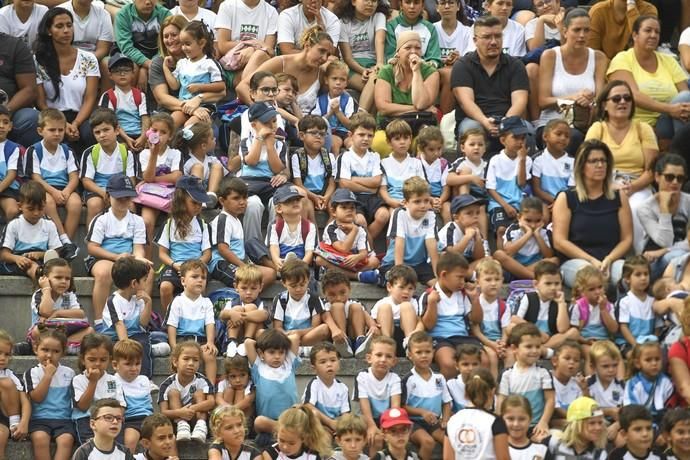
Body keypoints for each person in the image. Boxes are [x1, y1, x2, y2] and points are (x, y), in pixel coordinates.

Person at [585, 80, 659, 255]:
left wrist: (630, 188)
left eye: (627, 98)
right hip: (602, 182)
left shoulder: (643, 129)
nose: (623, 102)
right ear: (604, 105)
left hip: (637, 184)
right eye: (616, 99)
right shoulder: (598, 129)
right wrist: (608, 186)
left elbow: (651, 171)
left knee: (636, 209)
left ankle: (635, 262)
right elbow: (586, 165)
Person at [552, 139, 633, 288]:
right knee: (590, 276)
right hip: (577, 261)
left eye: (603, 160)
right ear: (582, 166)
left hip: (611, 259)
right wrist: (591, 260)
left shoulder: (619, 196)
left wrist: (609, 259)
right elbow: (559, 241)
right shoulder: (566, 198)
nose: (600, 165)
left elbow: (627, 239)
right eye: (594, 161)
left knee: (629, 277)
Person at [608, 15, 690, 148]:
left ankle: (680, 153)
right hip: (639, 122)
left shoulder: (669, 60)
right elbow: (632, 95)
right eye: (648, 30)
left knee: (685, 98)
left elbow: (685, 93)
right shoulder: (622, 59)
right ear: (635, 35)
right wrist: (669, 109)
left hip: (669, 120)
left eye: (657, 32)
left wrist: (676, 110)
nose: (653, 35)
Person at [451, 15, 529, 145]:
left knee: (528, 132)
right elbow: (466, 102)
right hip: (474, 119)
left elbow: (520, 101)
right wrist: (484, 121)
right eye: (487, 37)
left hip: (508, 118)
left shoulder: (516, 65)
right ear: (475, 40)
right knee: (471, 131)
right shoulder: (462, 65)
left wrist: (505, 123)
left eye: (498, 36)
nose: (493, 42)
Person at [535, 8, 606, 152]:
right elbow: (543, 101)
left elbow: (600, 99)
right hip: (552, 123)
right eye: (577, 30)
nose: (582, 35)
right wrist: (573, 98)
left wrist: (590, 102)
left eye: (586, 30)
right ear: (565, 31)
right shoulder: (550, 56)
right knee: (571, 137)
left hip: (586, 123)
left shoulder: (599, 57)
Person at [85, 173, 149, 323]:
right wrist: (116, 257)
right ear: (108, 196)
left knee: (146, 270)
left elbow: (138, 247)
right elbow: (92, 248)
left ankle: (138, 319)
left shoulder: (138, 221)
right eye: (118, 197)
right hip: (103, 258)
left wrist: (139, 259)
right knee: (103, 273)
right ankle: (100, 320)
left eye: (127, 197)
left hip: (128, 258)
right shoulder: (101, 219)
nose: (123, 201)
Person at [34, 8, 99, 155]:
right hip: (51, 116)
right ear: (49, 31)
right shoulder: (38, 60)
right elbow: (41, 102)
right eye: (59, 26)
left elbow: (90, 97)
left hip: (80, 116)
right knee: (52, 133)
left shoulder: (88, 58)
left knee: (90, 132)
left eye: (69, 25)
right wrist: (63, 124)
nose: (66, 30)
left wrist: (75, 124)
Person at [237, 25, 333, 116]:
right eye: (321, 51)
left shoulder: (321, 74)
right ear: (307, 46)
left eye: (328, 55)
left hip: (304, 126)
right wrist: (258, 109)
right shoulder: (280, 62)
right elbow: (242, 87)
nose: (324, 58)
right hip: (271, 119)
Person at [26, 109, 81, 261]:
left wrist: (67, 191)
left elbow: (74, 176)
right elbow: (35, 177)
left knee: (76, 203)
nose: (57, 133)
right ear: (40, 131)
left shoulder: (67, 151)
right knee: (48, 202)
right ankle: (64, 240)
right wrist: (54, 192)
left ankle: (66, 246)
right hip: (44, 188)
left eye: (60, 130)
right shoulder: (34, 150)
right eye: (51, 130)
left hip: (64, 188)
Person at [372, 31, 439, 155]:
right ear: (398, 52)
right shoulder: (386, 71)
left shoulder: (430, 72)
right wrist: (416, 109)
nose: (413, 52)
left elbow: (420, 103)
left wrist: (417, 71)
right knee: (379, 142)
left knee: (425, 142)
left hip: (420, 126)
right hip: (391, 125)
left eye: (417, 48)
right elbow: (383, 107)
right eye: (408, 47)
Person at [419, 252, 483, 379]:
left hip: (463, 337)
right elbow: (428, 326)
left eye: (464, 278)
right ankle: (449, 396)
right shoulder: (429, 295)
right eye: (459, 277)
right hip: (440, 339)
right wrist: (432, 304)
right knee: (449, 364)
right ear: (444, 275)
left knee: (484, 361)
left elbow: (476, 320)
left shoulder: (463, 294)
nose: (463, 282)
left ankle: (477, 394)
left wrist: (475, 300)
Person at [149, 15, 219, 125]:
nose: (170, 40)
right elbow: (162, 98)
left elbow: (221, 91)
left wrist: (199, 99)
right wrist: (191, 108)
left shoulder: (205, 61)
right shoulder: (159, 63)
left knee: (194, 129)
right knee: (170, 127)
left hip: (203, 108)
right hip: (170, 113)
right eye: (166, 36)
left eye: (174, 35)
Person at [209, 177, 276, 290]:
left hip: (238, 263)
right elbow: (223, 249)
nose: (242, 202)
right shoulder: (223, 220)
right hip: (222, 264)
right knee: (250, 279)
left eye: (245, 198)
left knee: (270, 273)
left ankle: (247, 297)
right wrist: (243, 266)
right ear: (222, 201)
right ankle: (243, 298)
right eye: (236, 198)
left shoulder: (235, 219)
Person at [156, 175, 211, 313]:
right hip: (175, 265)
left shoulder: (203, 225)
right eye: (194, 203)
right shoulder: (169, 224)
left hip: (196, 266)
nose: (198, 207)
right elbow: (162, 253)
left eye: (200, 204)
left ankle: (196, 318)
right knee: (165, 287)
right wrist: (175, 265)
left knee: (197, 284)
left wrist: (195, 266)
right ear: (181, 201)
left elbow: (207, 254)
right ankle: (169, 321)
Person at [97, 256, 156, 378]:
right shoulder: (113, 300)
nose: (146, 283)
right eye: (144, 280)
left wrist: (148, 303)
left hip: (134, 334)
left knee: (144, 340)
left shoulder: (138, 298)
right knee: (138, 344)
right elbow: (119, 325)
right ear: (134, 283)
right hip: (116, 337)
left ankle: (144, 379)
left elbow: (143, 323)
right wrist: (127, 347)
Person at [336, 112, 389, 242]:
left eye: (370, 136)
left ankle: (363, 243)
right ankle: (369, 249)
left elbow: (377, 181)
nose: (366, 139)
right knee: (361, 221)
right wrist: (369, 187)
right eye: (361, 135)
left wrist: (354, 179)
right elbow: (344, 184)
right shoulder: (345, 157)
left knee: (384, 215)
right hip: (352, 199)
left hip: (371, 198)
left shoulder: (375, 156)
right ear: (351, 136)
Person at [81, 107, 138, 228]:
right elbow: (86, 181)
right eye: (97, 132)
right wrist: (103, 193)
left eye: (106, 130)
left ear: (117, 130)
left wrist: (116, 195)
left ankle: (127, 240)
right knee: (95, 205)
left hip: (121, 190)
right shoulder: (90, 153)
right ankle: (91, 241)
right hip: (97, 190)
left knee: (130, 206)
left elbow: (131, 180)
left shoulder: (127, 153)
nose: (102, 135)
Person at [137, 112, 183, 260]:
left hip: (170, 196)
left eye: (163, 132)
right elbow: (147, 177)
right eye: (155, 130)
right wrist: (154, 154)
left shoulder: (175, 153)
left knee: (177, 221)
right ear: (149, 131)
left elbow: (177, 177)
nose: (158, 135)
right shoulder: (144, 154)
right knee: (146, 222)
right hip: (152, 197)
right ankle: (147, 262)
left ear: (170, 136)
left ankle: (174, 259)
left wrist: (154, 179)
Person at [24, 327, 75, 460]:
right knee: (40, 439)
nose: (49, 355)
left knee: (66, 440)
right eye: (45, 350)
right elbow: (37, 398)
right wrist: (47, 376)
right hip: (39, 419)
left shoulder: (69, 373)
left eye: (56, 351)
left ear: (63, 353)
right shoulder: (32, 373)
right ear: (36, 349)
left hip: (64, 419)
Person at [497, 323, 555, 439]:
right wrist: (500, 426)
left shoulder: (543, 373)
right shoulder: (507, 375)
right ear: (514, 349)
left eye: (538, 347)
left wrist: (543, 422)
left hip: (535, 427)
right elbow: (501, 402)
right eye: (529, 347)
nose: (534, 351)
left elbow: (550, 400)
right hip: (513, 427)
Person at [638, 153, 690, 278]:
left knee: (677, 256)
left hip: (678, 253)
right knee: (675, 257)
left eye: (680, 178)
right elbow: (665, 241)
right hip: (653, 260)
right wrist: (664, 209)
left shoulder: (688, 202)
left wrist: (663, 251)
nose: (675, 182)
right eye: (669, 177)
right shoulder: (645, 208)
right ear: (657, 176)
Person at [380, 177, 439, 287]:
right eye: (417, 201)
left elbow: (431, 244)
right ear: (406, 202)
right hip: (395, 262)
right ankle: (375, 275)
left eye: (426, 201)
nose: (423, 205)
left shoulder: (431, 215)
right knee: (395, 281)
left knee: (436, 284)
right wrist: (400, 273)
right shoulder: (400, 213)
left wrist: (437, 274)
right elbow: (399, 243)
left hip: (419, 264)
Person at [165, 260, 218, 382]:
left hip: (201, 341)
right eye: (195, 276)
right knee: (184, 358)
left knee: (209, 356)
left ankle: (210, 387)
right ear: (183, 281)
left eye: (203, 278)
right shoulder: (177, 301)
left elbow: (210, 324)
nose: (200, 280)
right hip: (182, 340)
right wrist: (174, 346)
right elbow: (171, 326)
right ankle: (180, 384)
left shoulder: (207, 302)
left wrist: (210, 342)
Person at [401, 331, 451, 460]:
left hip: (434, 422)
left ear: (433, 353)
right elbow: (402, 407)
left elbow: (446, 402)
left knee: (450, 441)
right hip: (413, 422)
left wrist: (445, 420)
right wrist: (422, 412)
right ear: (410, 355)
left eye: (427, 352)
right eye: (419, 352)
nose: (424, 356)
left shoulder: (439, 378)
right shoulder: (409, 379)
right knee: (428, 442)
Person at [314, 188, 380, 283]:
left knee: (375, 261)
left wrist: (357, 257)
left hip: (353, 261)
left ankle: (344, 274)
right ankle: (356, 276)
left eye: (352, 208)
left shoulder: (360, 229)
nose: (349, 210)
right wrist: (353, 230)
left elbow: (364, 252)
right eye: (344, 207)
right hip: (336, 260)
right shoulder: (331, 228)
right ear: (333, 212)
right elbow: (343, 249)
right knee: (319, 260)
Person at [485, 116, 532, 248]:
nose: (520, 142)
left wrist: (522, 160)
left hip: (519, 203)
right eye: (516, 138)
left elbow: (522, 184)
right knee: (501, 230)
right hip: (498, 203)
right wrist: (505, 205)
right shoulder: (495, 160)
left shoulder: (527, 160)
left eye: (523, 138)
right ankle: (502, 259)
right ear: (503, 140)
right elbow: (491, 189)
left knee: (520, 230)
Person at [0, 181, 62, 280]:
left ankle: (43, 277)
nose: (36, 213)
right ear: (20, 206)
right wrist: (17, 259)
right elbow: (3, 254)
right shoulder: (14, 225)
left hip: (43, 261)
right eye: (31, 209)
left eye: (40, 208)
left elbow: (56, 252)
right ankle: (41, 280)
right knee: (30, 265)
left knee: (58, 266)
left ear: (45, 205)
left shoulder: (49, 225)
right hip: (18, 262)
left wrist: (40, 254)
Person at [244, 329, 300, 437]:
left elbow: (295, 337)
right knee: (259, 422)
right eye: (271, 352)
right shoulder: (259, 367)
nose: (277, 356)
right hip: (268, 420)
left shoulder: (288, 364)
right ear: (261, 353)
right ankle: (284, 430)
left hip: (290, 419)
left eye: (281, 352)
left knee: (301, 413)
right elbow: (248, 343)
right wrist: (266, 340)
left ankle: (284, 430)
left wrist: (279, 337)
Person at [444, 368, 509, 460]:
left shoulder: (453, 421)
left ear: (466, 391)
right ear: (493, 391)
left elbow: (447, 458)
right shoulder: (495, 422)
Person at [510, 260, 576, 351]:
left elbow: (562, 329)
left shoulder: (559, 302)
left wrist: (561, 304)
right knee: (511, 327)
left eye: (557, 284)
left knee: (573, 332)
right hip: (530, 336)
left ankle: (542, 349)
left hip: (550, 339)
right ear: (536, 284)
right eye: (548, 284)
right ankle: (540, 349)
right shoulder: (528, 298)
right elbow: (515, 319)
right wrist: (538, 332)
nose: (553, 288)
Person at [72, 333, 125, 444]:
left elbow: (121, 406)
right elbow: (82, 406)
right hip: (86, 420)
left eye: (103, 360)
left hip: (112, 419)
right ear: (83, 360)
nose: (97, 364)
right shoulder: (78, 380)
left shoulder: (114, 380)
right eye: (92, 360)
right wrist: (93, 381)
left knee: (117, 446)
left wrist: (110, 418)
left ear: (110, 360)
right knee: (92, 448)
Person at [158, 341, 215, 442]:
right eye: (186, 359)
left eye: (195, 360)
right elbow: (163, 412)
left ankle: (201, 426)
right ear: (175, 362)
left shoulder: (202, 380)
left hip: (197, 419)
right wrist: (180, 413)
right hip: (177, 422)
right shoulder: (167, 384)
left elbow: (211, 402)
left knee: (199, 393)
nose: (191, 363)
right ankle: (182, 426)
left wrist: (191, 409)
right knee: (173, 392)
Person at [28, 257, 93, 346]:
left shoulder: (69, 295)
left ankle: (62, 345)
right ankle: (60, 346)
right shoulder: (39, 295)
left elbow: (80, 313)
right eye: (58, 277)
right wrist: (46, 289)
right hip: (46, 332)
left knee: (89, 331)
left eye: (67, 278)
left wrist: (58, 313)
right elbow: (45, 312)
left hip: (65, 333)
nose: (63, 281)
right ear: (45, 279)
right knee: (37, 331)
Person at [354, 335, 401, 454]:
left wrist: (385, 427)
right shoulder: (362, 377)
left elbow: (395, 408)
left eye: (388, 356)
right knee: (376, 439)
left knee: (391, 437)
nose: (383, 359)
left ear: (394, 361)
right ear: (369, 358)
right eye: (379, 355)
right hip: (366, 418)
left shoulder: (394, 378)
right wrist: (371, 426)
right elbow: (364, 408)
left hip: (387, 419)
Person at [338, 0, 388, 113]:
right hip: (351, 67)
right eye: (366, 0)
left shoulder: (379, 16)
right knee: (376, 84)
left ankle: (362, 118)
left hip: (373, 64)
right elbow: (347, 58)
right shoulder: (343, 22)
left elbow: (380, 41)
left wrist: (379, 63)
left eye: (374, 1)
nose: (370, 4)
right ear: (354, 2)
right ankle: (362, 117)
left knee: (376, 79)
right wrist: (363, 70)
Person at [215, 0, 278, 85]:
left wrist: (253, 51)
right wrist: (252, 46)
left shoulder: (271, 12)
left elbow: (269, 50)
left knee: (259, 56)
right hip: (231, 67)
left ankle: (245, 90)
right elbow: (223, 46)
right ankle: (245, 89)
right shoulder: (227, 6)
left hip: (259, 66)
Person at [113, 0, 171, 91]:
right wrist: (148, 64)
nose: (148, 2)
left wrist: (147, 67)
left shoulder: (165, 14)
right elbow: (126, 47)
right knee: (132, 68)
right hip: (130, 56)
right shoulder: (123, 15)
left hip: (157, 56)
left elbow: (168, 45)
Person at [495, 196, 557, 280]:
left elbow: (548, 255)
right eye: (528, 220)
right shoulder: (513, 229)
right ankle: (531, 276)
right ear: (519, 218)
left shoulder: (544, 232)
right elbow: (508, 252)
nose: (533, 225)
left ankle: (520, 275)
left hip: (534, 267)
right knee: (499, 254)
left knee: (554, 260)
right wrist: (528, 234)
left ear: (542, 218)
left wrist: (537, 235)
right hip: (513, 267)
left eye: (538, 221)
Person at [98, 54, 149, 152]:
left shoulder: (140, 95)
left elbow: (145, 117)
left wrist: (143, 137)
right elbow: (109, 120)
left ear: (133, 73)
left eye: (126, 70)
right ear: (110, 75)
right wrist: (126, 138)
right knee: (122, 149)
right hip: (118, 135)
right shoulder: (108, 96)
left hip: (139, 134)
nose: (122, 74)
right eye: (117, 71)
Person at [272, 259, 330, 346]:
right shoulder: (280, 299)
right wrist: (288, 335)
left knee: (324, 328)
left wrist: (299, 333)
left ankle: (297, 346)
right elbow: (277, 327)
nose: (298, 289)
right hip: (287, 337)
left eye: (302, 284)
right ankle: (295, 345)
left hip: (307, 336)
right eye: (293, 286)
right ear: (283, 283)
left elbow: (315, 327)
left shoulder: (313, 298)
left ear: (308, 280)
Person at [570, 266, 618, 369]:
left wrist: (603, 310)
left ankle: (620, 382)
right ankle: (590, 380)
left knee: (616, 354)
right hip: (585, 341)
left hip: (604, 340)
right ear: (582, 292)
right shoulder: (578, 306)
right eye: (591, 289)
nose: (597, 292)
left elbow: (613, 329)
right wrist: (585, 341)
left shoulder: (608, 305)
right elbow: (574, 331)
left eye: (600, 287)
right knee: (590, 354)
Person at [290, 115, 336, 222]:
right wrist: (314, 197)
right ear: (302, 136)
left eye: (322, 134)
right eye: (314, 133)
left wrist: (326, 197)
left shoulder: (330, 157)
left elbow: (332, 183)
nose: (318, 136)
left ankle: (327, 235)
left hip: (325, 193)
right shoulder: (297, 157)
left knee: (335, 209)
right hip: (307, 193)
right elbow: (298, 184)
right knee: (307, 207)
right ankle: (313, 237)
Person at [112, 339, 155, 453]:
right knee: (130, 440)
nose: (134, 368)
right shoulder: (113, 381)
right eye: (128, 364)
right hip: (131, 420)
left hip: (149, 419)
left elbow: (149, 403)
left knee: (165, 438)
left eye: (137, 364)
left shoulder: (144, 380)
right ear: (115, 365)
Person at [370, 265, 423, 357]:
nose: (406, 292)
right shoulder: (382, 302)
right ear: (389, 287)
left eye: (410, 288)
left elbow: (420, 321)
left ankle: (409, 345)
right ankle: (387, 346)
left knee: (406, 306)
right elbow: (373, 322)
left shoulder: (414, 302)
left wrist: (417, 331)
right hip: (388, 336)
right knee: (384, 308)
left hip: (407, 335)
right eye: (401, 287)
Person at [0, 31, 39, 148]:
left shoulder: (15, 45)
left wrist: (5, 113)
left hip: (10, 109)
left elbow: (29, 89)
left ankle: (26, 161)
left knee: (31, 118)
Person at [218, 264, 270, 353]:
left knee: (251, 307)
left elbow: (264, 315)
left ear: (260, 287)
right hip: (237, 335)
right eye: (244, 288)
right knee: (236, 309)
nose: (249, 292)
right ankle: (231, 342)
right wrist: (232, 314)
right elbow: (222, 315)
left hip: (254, 338)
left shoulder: (260, 303)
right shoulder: (232, 303)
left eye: (253, 288)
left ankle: (247, 341)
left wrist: (241, 316)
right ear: (236, 287)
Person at [472, 258, 510, 377]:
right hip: (481, 341)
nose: (493, 283)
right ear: (478, 282)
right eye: (488, 280)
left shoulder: (504, 306)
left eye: (497, 279)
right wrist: (492, 345)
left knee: (511, 354)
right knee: (492, 356)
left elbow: (505, 330)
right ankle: (493, 387)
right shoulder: (476, 303)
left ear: (502, 281)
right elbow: (476, 331)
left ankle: (508, 385)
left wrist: (502, 344)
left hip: (499, 341)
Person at [302, 342, 351, 433]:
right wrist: (330, 423)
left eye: (333, 360)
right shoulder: (314, 384)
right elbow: (308, 407)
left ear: (339, 363)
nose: (329, 364)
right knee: (313, 413)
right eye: (323, 362)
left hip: (337, 426)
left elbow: (346, 414)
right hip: (318, 427)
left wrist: (342, 427)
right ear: (314, 368)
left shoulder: (343, 388)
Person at [623, 338, 673, 427]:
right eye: (648, 360)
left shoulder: (666, 382)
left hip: (662, 424)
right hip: (639, 424)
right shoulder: (632, 384)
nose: (654, 363)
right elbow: (630, 411)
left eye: (657, 359)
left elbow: (669, 409)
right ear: (638, 363)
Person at [434, 0, 472, 114]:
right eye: (442, 3)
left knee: (453, 72)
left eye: (451, 3)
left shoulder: (468, 31)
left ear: (458, 6)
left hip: (460, 72)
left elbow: (470, 57)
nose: (447, 6)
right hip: (436, 72)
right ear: (437, 7)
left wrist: (459, 58)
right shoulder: (431, 29)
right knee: (449, 73)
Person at [268, 184, 318, 269]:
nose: (295, 202)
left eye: (298, 200)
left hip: (302, 264)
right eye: (289, 200)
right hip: (283, 263)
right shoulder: (275, 226)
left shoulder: (309, 226)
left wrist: (301, 266)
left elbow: (309, 251)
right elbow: (274, 246)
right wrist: (277, 260)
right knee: (252, 244)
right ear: (279, 208)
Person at [588, 0, 657, 60]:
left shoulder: (648, 10)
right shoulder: (598, 11)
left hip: (637, 67)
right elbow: (592, 53)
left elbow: (645, 50)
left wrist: (631, 9)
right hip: (604, 67)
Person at [312, 60, 355, 155]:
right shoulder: (321, 100)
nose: (338, 83)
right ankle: (334, 167)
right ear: (327, 80)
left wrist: (338, 112)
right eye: (334, 79)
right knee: (334, 144)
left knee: (352, 143)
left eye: (342, 80)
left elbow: (350, 124)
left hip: (346, 132)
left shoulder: (348, 100)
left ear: (347, 83)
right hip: (330, 132)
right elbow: (316, 122)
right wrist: (330, 112)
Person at [615, 256, 655, 355]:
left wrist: (653, 342)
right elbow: (623, 327)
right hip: (628, 343)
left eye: (646, 274)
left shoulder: (653, 301)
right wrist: (636, 345)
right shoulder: (625, 301)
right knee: (633, 357)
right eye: (638, 274)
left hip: (648, 343)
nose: (643, 278)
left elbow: (658, 327)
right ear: (627, 278)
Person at [379, 120, 423, 210]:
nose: (402, 142)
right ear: (389, 142)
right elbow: (383, 189)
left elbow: (421, 187)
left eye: (406, 138)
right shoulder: (383, 163)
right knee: (394, 214)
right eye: (397, 139)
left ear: (411, 139)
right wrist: (391, 202)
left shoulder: (416, 163)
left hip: (413, 202)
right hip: (392, 202)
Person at [384, 0, 442, 66]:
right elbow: (390, 57)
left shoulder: (430, 28)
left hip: (423, 69)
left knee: (436, 74)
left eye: (416, 3)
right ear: (401, 5)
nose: (412, 6)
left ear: (423, 6)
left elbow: (434, 58)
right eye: (408, 2)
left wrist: (428, 64)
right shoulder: (392, 26)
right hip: (399, 69)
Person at [586, 340, 624, 441]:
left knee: (621, 440)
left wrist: (617, 425)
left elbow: (627, 412)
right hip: (593, 424)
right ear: (593, 367)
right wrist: (609, 411)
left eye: (615, 365)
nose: (611, 370)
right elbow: (585, 411)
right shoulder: (586, 384)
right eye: (605, 366)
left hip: (615, 424)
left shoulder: (622, 386)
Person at [262, 405, 332, 459]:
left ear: (303, 438)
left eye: (291, 443)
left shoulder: (313, 455)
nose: (285, 447)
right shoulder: (270, 454)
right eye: (281, 440)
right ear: (277, 433)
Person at [531, 119, 575, 205]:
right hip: (543, 204)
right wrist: (554, 202)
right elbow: (537, 190)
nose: (563, 138)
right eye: (558, 134)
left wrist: (559, 204)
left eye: (567, 136)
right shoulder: (538, 160)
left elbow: (572, 189)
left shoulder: (573, 162)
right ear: (545, 136)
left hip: (565, 203)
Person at [438, 195, 487, 271]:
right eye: (469, 213)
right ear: (456, 217)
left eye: (477, 213)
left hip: (464, 262)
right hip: (445, 263)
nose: (475, 216)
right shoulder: (450, 229)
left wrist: (478, 239)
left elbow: (479, 257)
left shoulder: (476, 230)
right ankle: (466, 275)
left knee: (488, 260)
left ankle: (465, 275)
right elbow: (452, 256)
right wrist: (467, 237)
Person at [0, 330, 29, 458]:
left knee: (5, 383)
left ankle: (14, 423)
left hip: (3, 418)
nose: (2, 358)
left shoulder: (9, 375)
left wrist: (23, 422)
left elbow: (25, 401)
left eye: (6, 354)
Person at [179, 122, 224, 203]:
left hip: (209, 189)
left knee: (217, 167)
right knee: (198, 167)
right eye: (212, 138)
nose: (215, 139)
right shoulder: (188, 161)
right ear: (203, 146)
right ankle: (199, 197)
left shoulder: (211, 159)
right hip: (191, 192)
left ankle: (211, 196)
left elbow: (226, 174)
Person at [417, 126, 450, 221]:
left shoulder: (444, 164)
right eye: (431, 150)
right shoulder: (416, 163)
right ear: (422, 149)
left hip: (440, 198)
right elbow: (416, 188)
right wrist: (430, 199)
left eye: (439, 149)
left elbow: (446, 188)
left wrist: (440, 201)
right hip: (422, 197)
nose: (436, 153)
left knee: (447, 209)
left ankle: (448, 234)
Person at [550, 341, 586, 426]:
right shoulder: (548, 380)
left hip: (575, 420)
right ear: (555, 361)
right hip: (557, 421)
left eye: (576, 360)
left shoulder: (578, 383)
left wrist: (585, 389)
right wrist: (577, 421)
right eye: (567, 358)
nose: (572, 362)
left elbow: (585, 407)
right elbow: (557, 409)